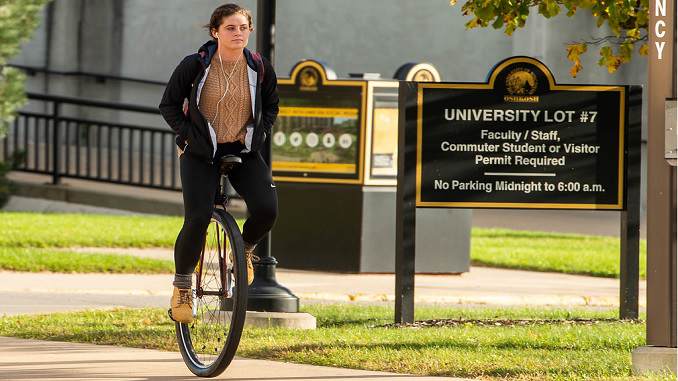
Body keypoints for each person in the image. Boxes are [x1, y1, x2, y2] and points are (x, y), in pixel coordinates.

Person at [158, 3, 279, 323]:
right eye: (230, 28)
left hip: (243, 150)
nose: (238, 33)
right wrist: (190, 136)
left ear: (250, 31)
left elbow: (271, 105)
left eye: (243, 28)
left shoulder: (258, 66)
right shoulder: (194, 65)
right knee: (197, 219)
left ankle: (245, 251)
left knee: (267, 209)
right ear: (215, 32)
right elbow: (168, 105)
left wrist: (260, 132)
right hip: (200, 153)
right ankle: (182, 286)